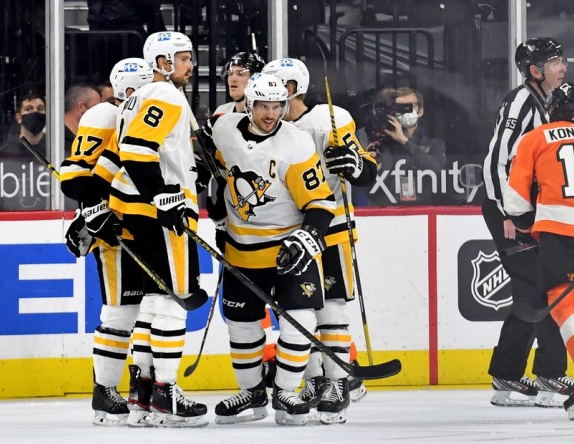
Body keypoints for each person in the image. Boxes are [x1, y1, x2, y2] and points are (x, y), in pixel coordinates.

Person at [209, 73, 337, 426]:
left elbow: (321, 203)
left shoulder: (295, 145)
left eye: (277, 106)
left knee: (301, 320)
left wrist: (306, 237)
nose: (270, 113)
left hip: (288, 250)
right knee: (242, 326)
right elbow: (209, 165)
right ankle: (252, 394)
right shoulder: (224, 129)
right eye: (263, 106)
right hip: (241, 249)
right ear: (248, 105)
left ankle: (286, 391)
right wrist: (216, 211)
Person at [262, 57, 378, 423]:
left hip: (331, 228)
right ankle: (313, 379)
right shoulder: (269, 129)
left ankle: (338, 382)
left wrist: (353, 164)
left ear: (292, 89)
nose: (267, 101)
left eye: (277, 90)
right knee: (299, 313)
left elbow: (367, 169)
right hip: (288, 233)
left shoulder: (331, 118)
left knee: (331, 308)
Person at [108, 31, 208, 427]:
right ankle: (167, 393)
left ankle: (143, 392)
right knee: (172, 299)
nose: (191, 65)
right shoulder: (164, 95)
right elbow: (136, 149)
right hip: (161, 213)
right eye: (184, 58)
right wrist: (164, 194)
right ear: (163, 62)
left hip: (137, 211)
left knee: (151, 300)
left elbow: (144, 149)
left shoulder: (137, 96)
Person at [503, 82, 574, 421]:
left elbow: (515, 198)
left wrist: (526, 224)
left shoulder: (537, 136)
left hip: (560, 227)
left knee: (563, 301)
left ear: (552, 107)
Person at [480, 37, 574, 408]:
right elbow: (495, 160)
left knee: (534, 291)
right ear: (535, 71)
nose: (563, 67)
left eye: (562, 59)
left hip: (524, 213)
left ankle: (508, 373)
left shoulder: (542, 104)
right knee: (542, 288)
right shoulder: (522, 101)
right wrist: (506, 212)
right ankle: (547, 373)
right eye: (556, 62)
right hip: (509, 212)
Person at [58, 57, 154, 426]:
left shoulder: (149, 115)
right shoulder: (102, 116)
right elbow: (78, 176)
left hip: (148, 226)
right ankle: (105, 390)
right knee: (121, 309)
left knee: (152, 311)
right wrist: (92, 210)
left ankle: (143, 383)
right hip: (116, 229)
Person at [365, 87, 446, 206]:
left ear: (420, 111)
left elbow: (436, 169)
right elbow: (368, 189)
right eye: (399, 108)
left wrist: (404, 141)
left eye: (408, 107)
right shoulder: (383, 145)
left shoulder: (434, 144)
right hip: (387, 212)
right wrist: (371, 165)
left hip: (423, 211)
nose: (403, 112)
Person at [0, 91, 47, 158]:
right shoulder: (6, 151)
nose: (35, 112)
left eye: (40, 109)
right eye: (28, 109)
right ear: (18, 118)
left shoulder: (56, 148)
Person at [64, 84, 101, 155]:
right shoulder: (55, 140)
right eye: (96, 107)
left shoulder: (88, 140)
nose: (99, 112)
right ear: (81, 107)